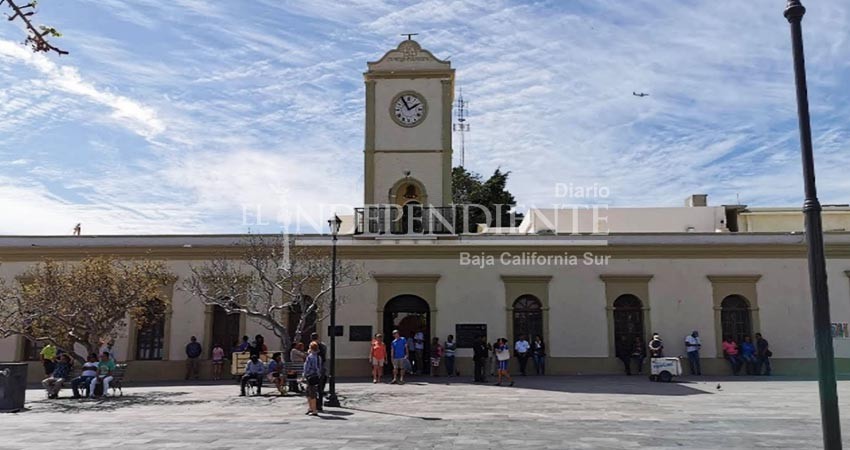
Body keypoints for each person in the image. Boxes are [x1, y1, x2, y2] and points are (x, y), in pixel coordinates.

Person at [304, 341, 323, 416]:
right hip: (316, 376)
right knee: (311, 392)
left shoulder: (310, 357)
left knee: (311, 393)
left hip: (310, 376)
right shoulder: (319, 357)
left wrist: (304, 375)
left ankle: (313, 409)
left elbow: (307, 367)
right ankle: (311, 408)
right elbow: (319, 367)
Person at [310, 332, 328, 411]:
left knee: (312, 389)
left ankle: (314, 406)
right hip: (322, 368)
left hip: (314, 371)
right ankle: (319, 405)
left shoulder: (311, 351)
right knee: (320, 388)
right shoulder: (323, 346)